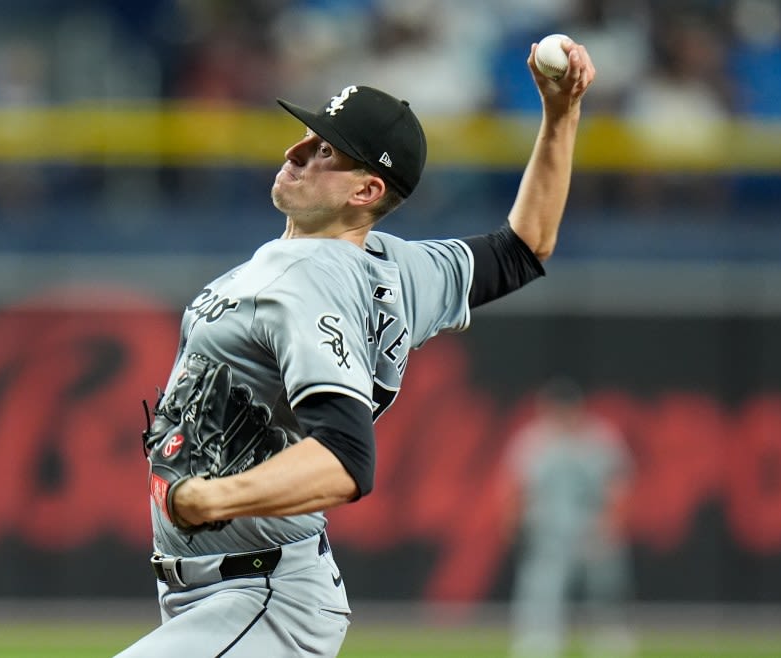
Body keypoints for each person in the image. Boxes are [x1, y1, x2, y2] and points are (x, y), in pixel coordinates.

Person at [115, 36, 596, 658]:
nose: (297, 151)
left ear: (366, 191)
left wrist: (211, 497)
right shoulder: (397, 267)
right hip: (238, 591)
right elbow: (523, 247)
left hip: (261, 597)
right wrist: (562, 114)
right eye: (309, 136)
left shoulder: (303, 281)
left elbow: (345, 459)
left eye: (325, 150)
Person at [501, 377, 636, 658]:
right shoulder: (533, 440)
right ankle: (539, 637)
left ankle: (607, 636)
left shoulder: (599, 438)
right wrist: (514, 521)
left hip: (591, 525)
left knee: (604, 584)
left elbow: (617, 485)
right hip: (548, 527)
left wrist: (611, 521)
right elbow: (518, 486)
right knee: (542, 585)